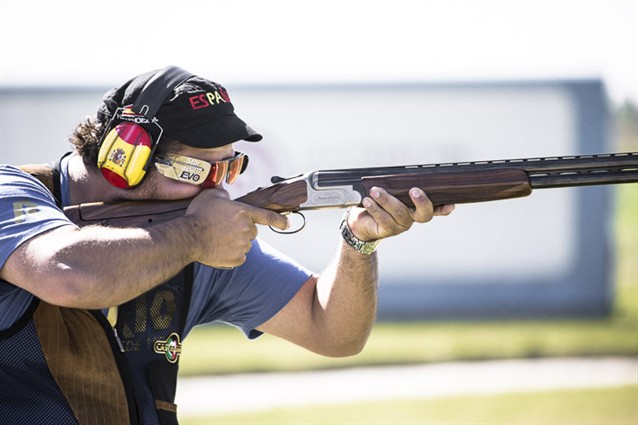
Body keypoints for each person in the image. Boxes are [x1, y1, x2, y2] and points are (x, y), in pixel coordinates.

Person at [0, 66, 454, 424]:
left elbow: (332, 331)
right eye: (197, 172)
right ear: (126, 158)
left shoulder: (193, 237)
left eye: (228, 169)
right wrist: (194, 236)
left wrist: (359, 241)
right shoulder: (11, 194)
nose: (217, 192)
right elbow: (68, 275)